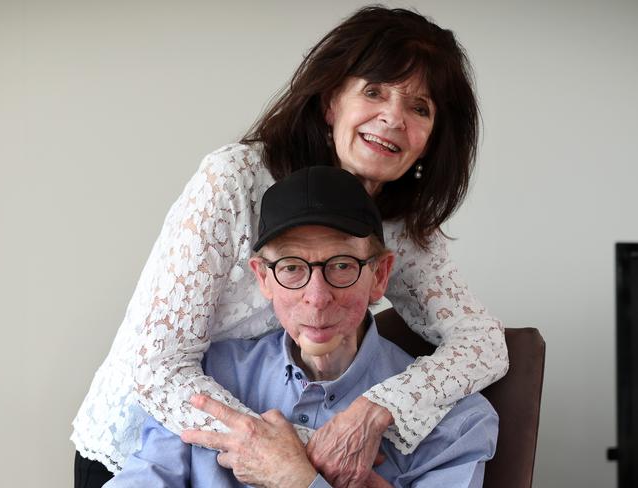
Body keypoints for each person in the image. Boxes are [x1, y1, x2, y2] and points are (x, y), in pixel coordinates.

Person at [72, 6, 508, 488]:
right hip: (157, 444)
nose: (392, 118)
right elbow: (155, 367)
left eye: (419, 108)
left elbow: (483, 344)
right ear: (330, 103)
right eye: (374, 91)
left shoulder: (400, 230)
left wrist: (375, 410)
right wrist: (300, 458)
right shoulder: (235, 180)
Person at [105, 166, 498, 488]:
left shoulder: (458, 423)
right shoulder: (206, 380)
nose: (317, 296)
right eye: (292, 268)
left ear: (379, 275)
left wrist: (297, 480)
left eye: (342, 265)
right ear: (263, 278)